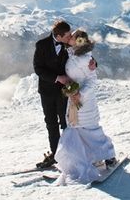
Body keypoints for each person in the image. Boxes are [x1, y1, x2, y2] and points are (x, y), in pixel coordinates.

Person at [54, 30, 117, 185]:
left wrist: (80, 94)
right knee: (78, 129)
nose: (70, 38)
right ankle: (87, 157)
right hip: (74, 99)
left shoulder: (84, 59)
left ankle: (109, 154)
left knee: (90, 129)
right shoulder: (73, 54)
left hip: (85, 100)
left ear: (79, 41)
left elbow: (92, 80)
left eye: (74, 37)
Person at [33, 20, 73, 169]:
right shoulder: (41, 45)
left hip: (64, 93)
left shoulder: (69, 44)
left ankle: (69, 153)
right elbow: (38, 68)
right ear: (59, 35)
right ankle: (56, 155)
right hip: (47, 91)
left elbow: (84, 54)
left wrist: (93, 63)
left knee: (66, 123)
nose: (70, 37)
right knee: (51, 123)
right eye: (68, 35)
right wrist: (57, 78)